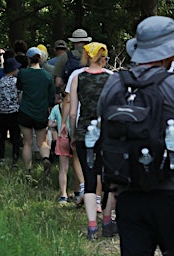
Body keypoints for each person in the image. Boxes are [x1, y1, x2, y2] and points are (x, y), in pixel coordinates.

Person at [98, 16, 174, 254]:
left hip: (127, 192)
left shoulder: (113, 84)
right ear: (169, 53)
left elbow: (105, 135)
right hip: (172, 193)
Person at [67, 42, 117, 240]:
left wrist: (73, 134)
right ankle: (107, 220)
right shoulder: (112, 78)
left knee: (89, 179)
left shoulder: (78, 77)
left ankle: (92, 226)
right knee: (108, 178)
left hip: (84, 133)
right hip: (107, 133)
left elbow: (72, 112)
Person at [54, 29, 92, 205]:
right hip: (90, 105)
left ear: (74, 42)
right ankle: (81, 188)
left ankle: (81, 188)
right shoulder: (92, 55)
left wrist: (62, 95)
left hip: (69, 103)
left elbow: (58, 82)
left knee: (74, 148)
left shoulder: (65, 57)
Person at [17, 47, 55, 174]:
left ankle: (28, 170)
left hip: (25, 112)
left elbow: (19, 87)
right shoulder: (48, 76)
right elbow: (51, 98)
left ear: (28, 59)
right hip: (41, 113)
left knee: (27, 142)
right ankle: (45, 158)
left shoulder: (22, 73)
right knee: (42, 142)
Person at [0, 58, 22, 166]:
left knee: (1, 136)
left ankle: (1, 158)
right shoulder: (17, 83)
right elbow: (20, 98)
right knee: (15, 136)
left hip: (2, 113)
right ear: (13, 70)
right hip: (15, 113)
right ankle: (15, 159)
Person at [48, 94, 71, 203]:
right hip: (75, 138)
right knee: (78, 167)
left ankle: (63, 195)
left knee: (63, 169)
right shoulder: (76, 106)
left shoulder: (57, 108)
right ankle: (78, 191)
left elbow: (50, 123)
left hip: (62, 138)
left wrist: (58, 122)